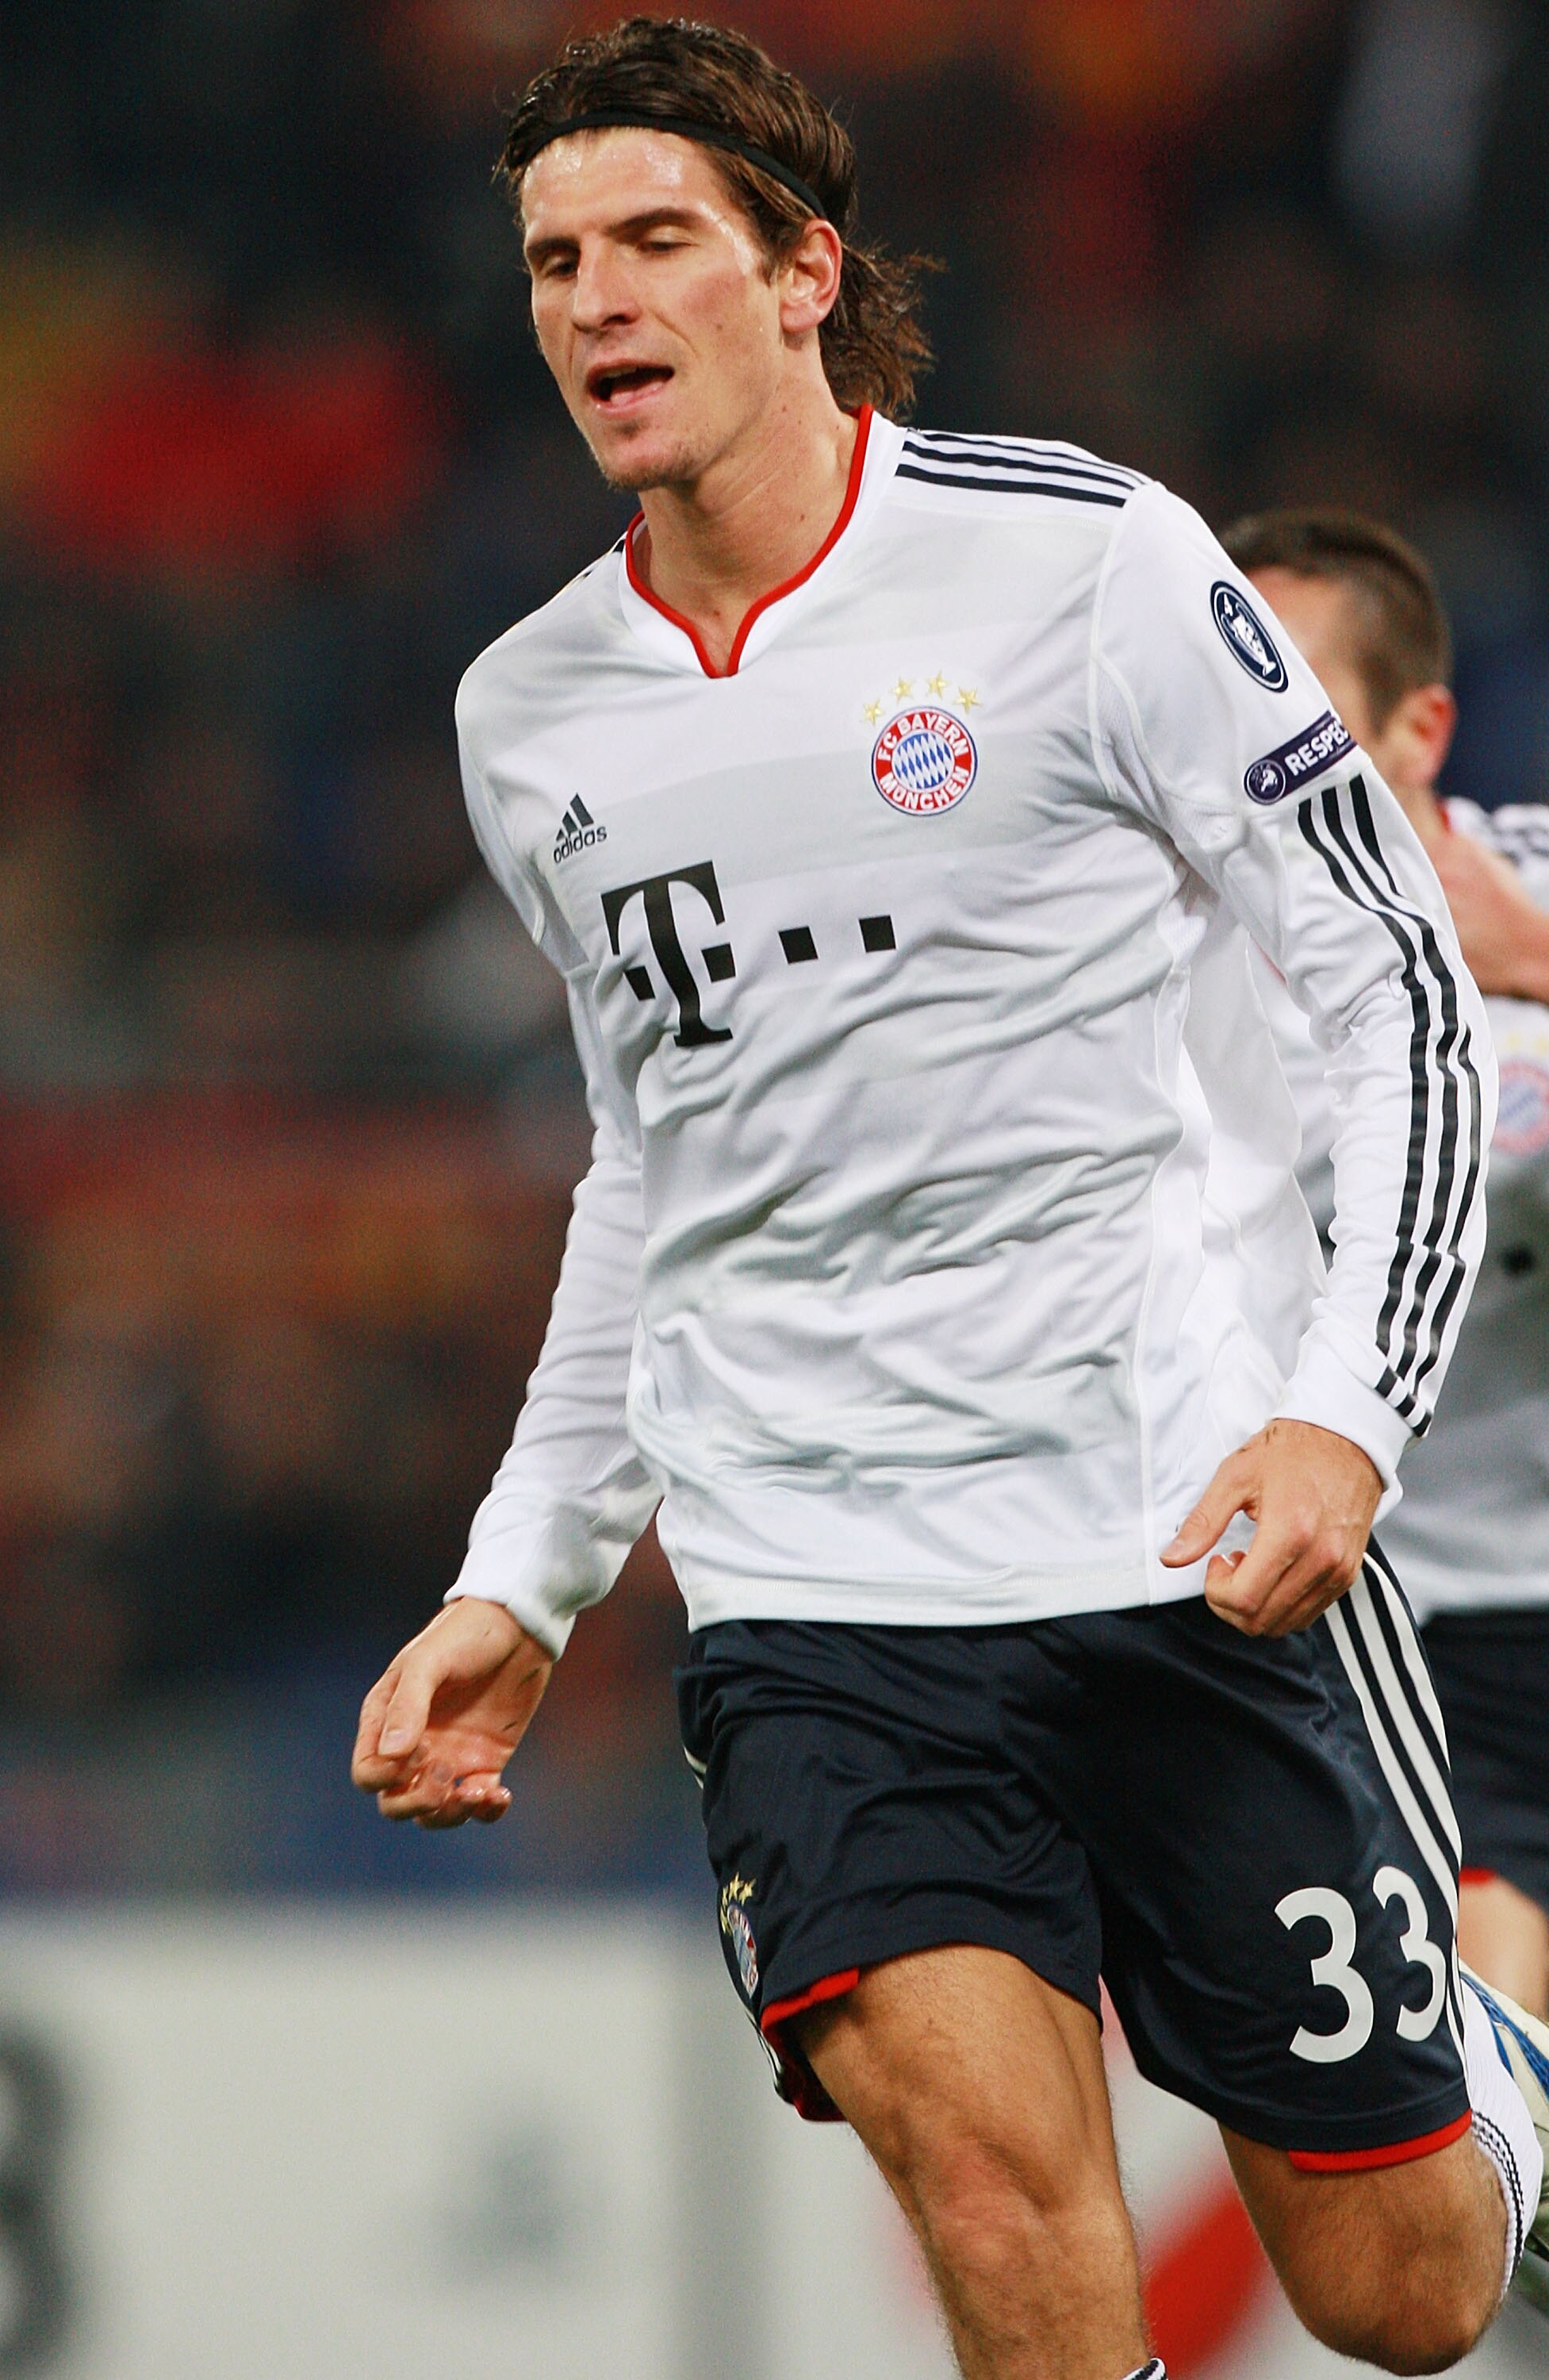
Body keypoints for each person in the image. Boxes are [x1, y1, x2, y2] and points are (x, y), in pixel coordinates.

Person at [351, 20, 1549, 2375]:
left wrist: (1345, 1415)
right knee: (1007, 2222)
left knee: (1409, 2295)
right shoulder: (532, 714)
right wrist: (530, 1569)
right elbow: (653, 1163)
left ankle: (1511, 2104)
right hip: (821, 1598)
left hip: (1175, 1540)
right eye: (553, 259)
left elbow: (1389, 986)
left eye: (657, 242)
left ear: (802, 274)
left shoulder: (1083, 565)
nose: (597, 300)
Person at [1227, 509, 1549, 2032]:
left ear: (1421, 725)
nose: (1252, 742)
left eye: (1293, 694)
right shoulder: (1191, 981)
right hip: (1413, 1624)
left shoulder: (1538, 881)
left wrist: (1539, 960)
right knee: (1497, 2114)